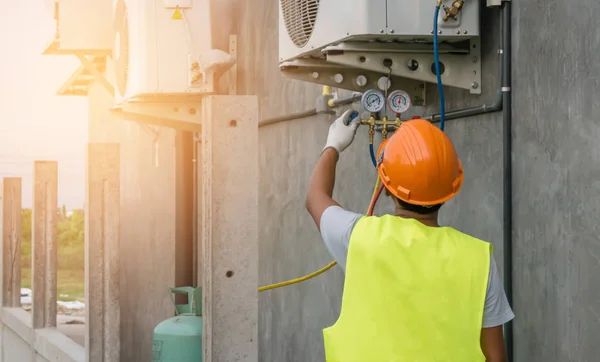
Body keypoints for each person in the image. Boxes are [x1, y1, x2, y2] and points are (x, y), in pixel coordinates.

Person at [305, 110, 515, 362]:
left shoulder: (359, 238)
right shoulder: (478, 260)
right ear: (450, 192)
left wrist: (333, 146)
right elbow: (496, 358)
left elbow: (315, 197)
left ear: (385, 187)